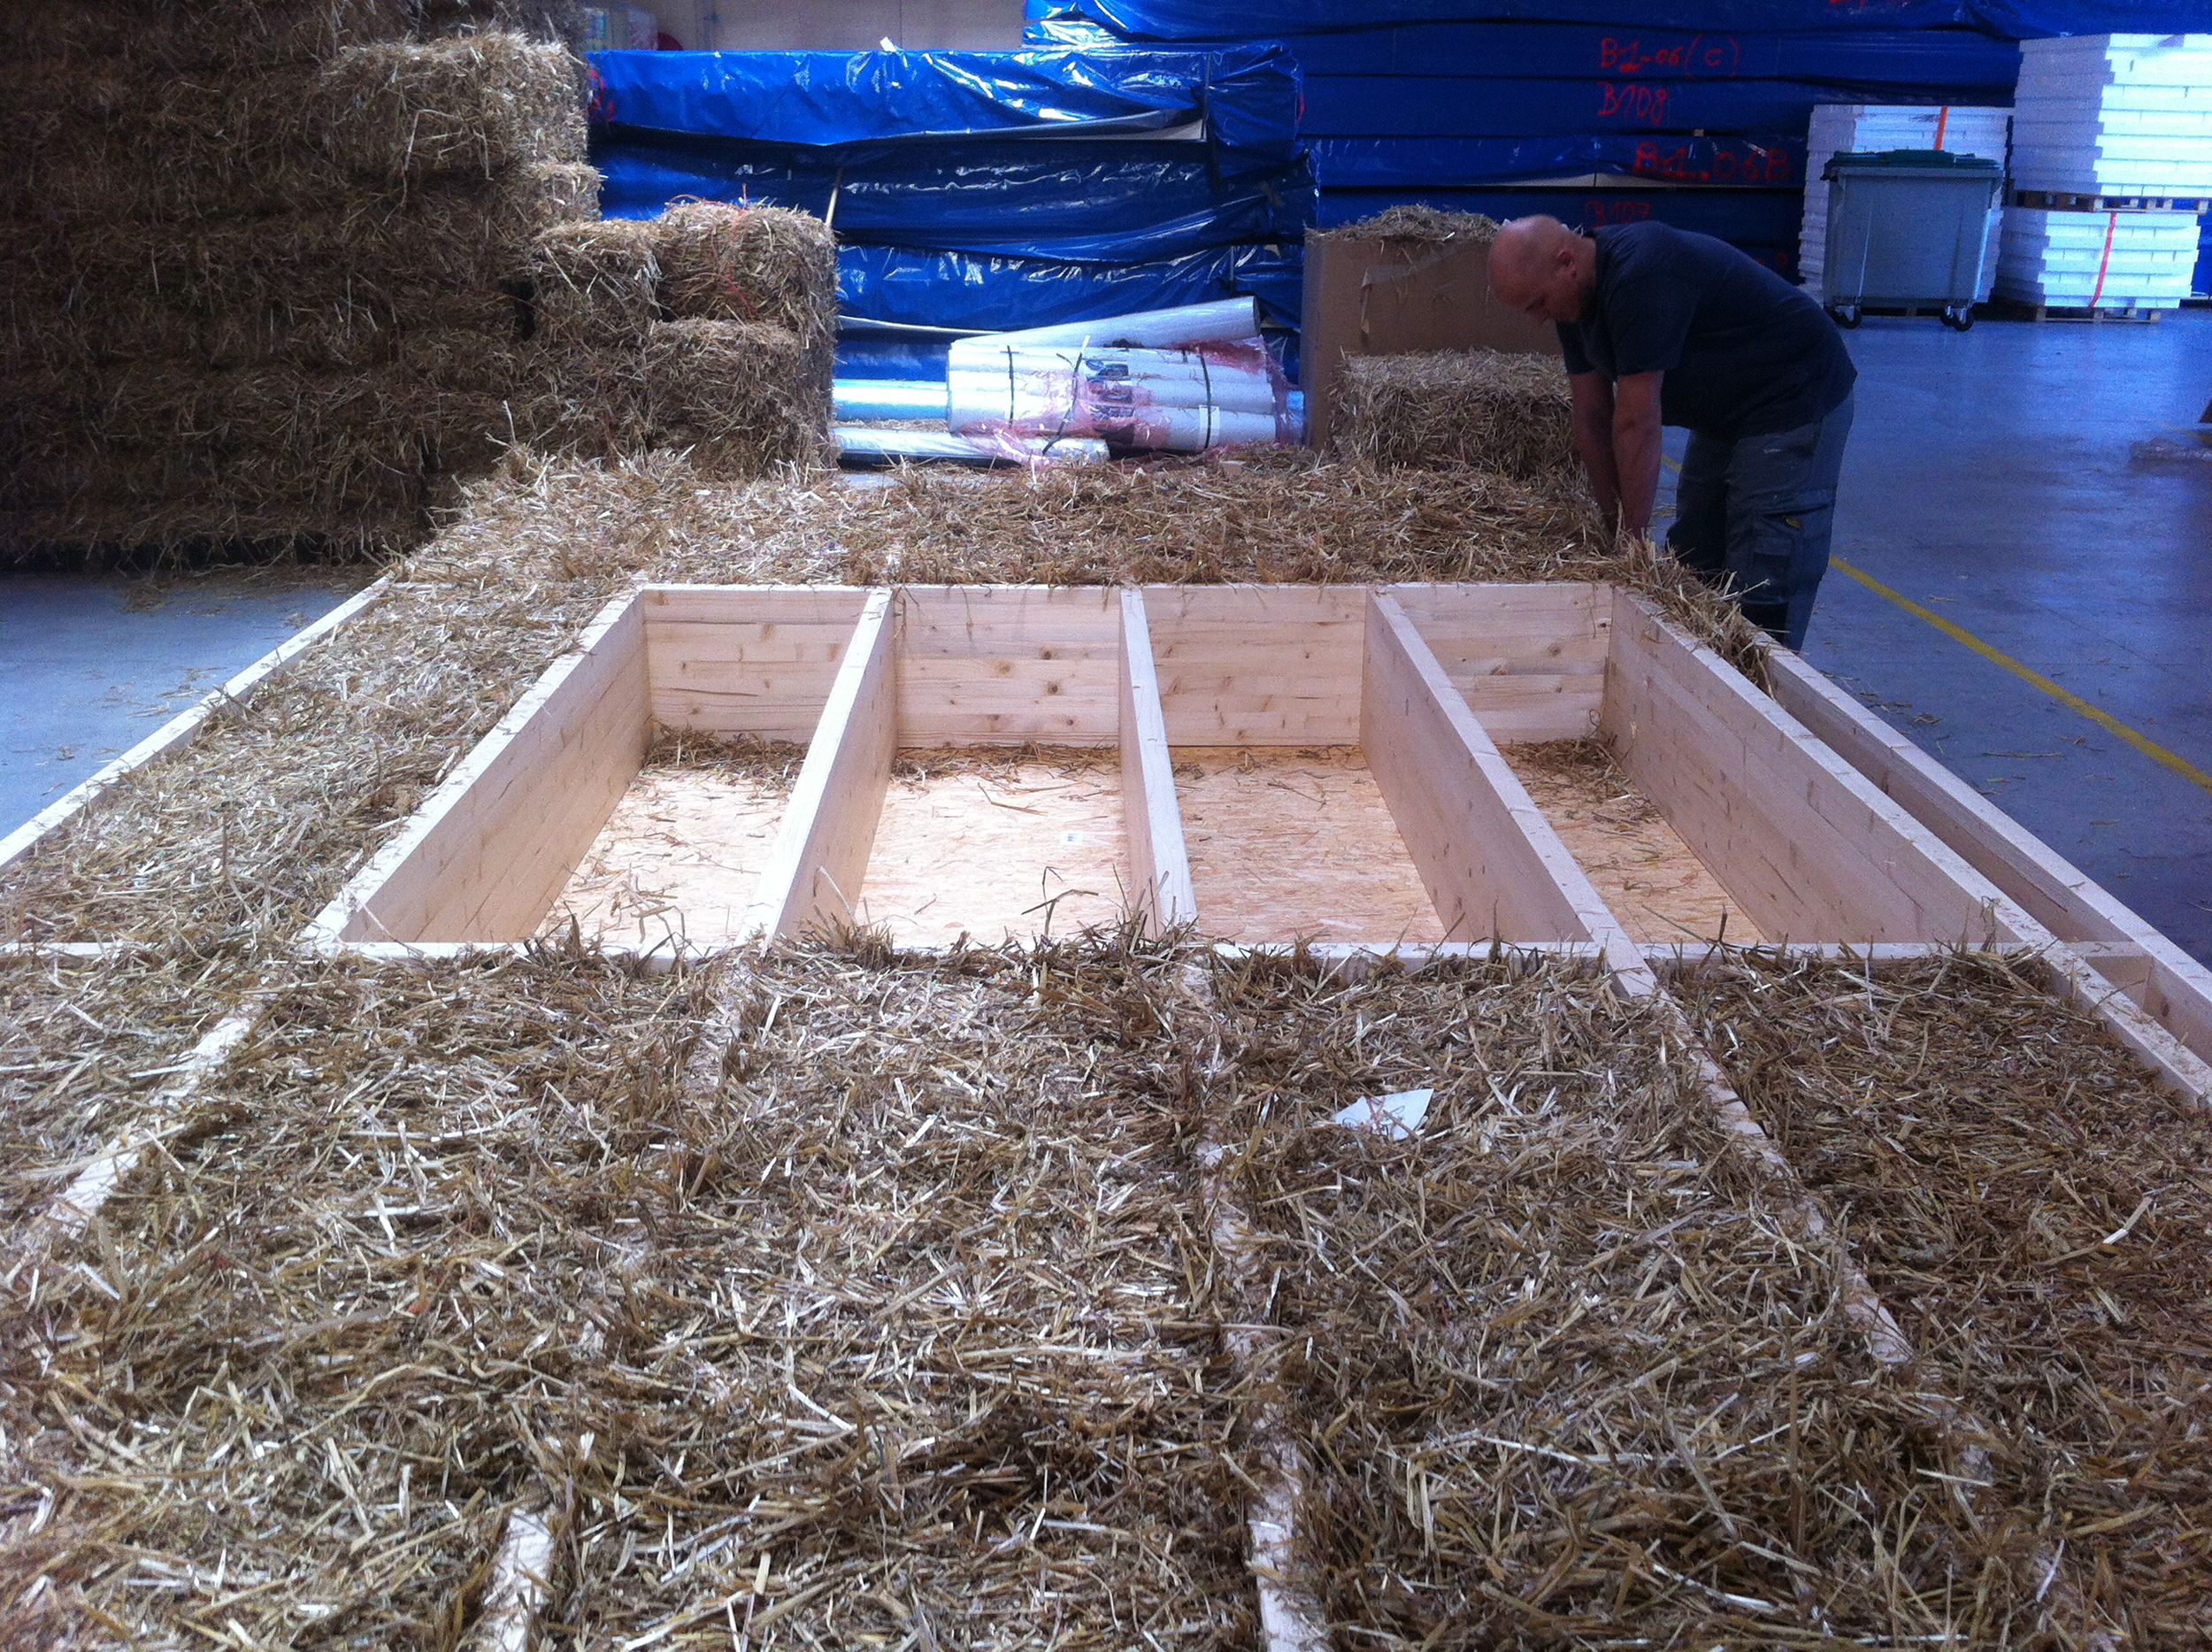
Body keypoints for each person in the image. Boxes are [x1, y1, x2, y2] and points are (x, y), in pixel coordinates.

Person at [1487, 214, 1856, 649]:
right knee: (1695, 556)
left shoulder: (1641, 274)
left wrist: (1632, 546)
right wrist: (1615, 530)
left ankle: (1764, 680)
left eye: (1537, 304)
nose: (1538, 319)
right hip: (1726, 409)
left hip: (1793, 394)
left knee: (1762, 570)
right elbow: (1592, 415)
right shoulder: (1571, 300)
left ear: (1566, 262)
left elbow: (1637, 424)